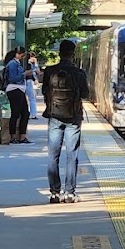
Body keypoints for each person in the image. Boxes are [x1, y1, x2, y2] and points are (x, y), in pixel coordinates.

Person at [42, 39, 89, 203]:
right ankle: (69, 193)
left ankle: (54, 193)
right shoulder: (79, 73)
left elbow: (44, 91)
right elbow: (85, 94)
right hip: (73, 118)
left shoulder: (49, 71)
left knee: (52, 155)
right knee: (72, 155)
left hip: (54, 117)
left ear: (59, 53)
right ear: (73, 54)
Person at [3, 46, 30, 143]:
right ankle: (13, 136)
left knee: (25, 113)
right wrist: (24, 74)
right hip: (14, 89)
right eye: (23, 55)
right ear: (18, 54)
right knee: (16, 113)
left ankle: (21, 136)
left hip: (19, 89)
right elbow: (13, 78)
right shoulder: (12, 64)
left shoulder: (16, 63)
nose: (23, 57)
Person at [26, 51, 41, 120]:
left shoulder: (20, 63)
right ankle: (33, 114)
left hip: (21, 82)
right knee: (32, 98)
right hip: (29, 81)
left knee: (25, 99)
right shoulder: (30, 65)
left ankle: (26, 113)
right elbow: (37, 72)